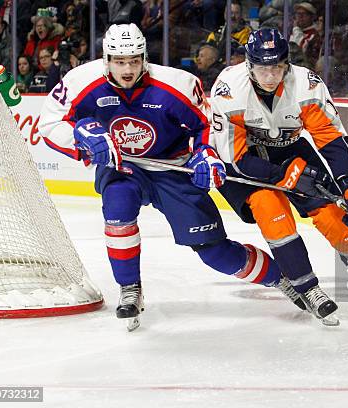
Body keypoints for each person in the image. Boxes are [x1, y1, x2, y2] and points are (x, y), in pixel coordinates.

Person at [39, 24, 303, 328]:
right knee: (118, 211)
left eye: (134, 61)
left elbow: (206, 124)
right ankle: (130, 288)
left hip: (172, 167)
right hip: (124, 167)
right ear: (106, 59)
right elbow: (50, 124)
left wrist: (206, 153)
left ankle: (279, 278)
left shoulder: (176, 84)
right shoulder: (79, 81)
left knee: (215, 252)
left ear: (144, 58)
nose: (127, 69)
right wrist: (79, 135)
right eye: (120, 62)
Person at [209, 28, 348, 323]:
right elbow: (235, 159)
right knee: (271, 210)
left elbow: (330, 138)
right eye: (263, 68)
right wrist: (283, 175)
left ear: (286, 63)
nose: (270, 76)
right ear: (249, 65)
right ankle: (308, 287)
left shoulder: (306, 84)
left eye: (277, 67)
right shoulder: (228, 87)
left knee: (335, 218)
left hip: (290, 150)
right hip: (246, 162)